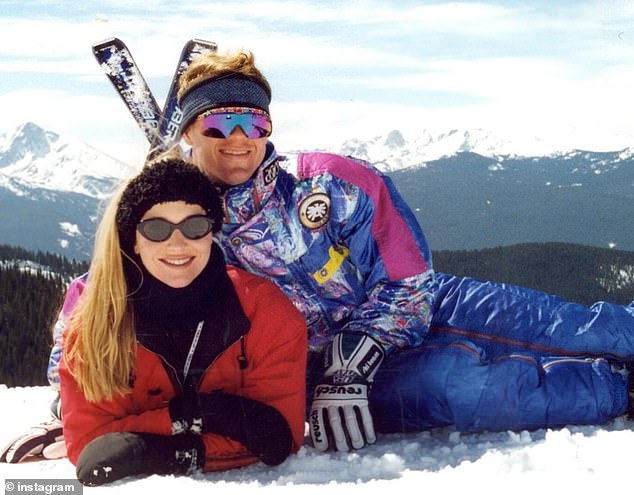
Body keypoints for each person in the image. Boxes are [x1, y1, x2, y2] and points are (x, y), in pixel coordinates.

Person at [5, 47, 634, 460]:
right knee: (475, 390)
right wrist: (71, 404)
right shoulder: (179, 221)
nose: (237, 141)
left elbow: (409, 277)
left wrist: (356, 358)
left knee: (581, 326)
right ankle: (620, 393)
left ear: (269, 129)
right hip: (313, 370)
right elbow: (99, 298)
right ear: (190, 133)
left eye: (252, 124)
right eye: (217, 127)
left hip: (408, 310)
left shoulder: (330, 184)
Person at [55, 159, 305, 485]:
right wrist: (198, 416)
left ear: (211, 234)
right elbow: (92, 448)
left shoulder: (265, 312)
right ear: (133, 239)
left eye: (195, 226)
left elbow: (277, 438)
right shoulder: (96, 326)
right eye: (157, 228)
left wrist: (153, 447)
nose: (177, 243)